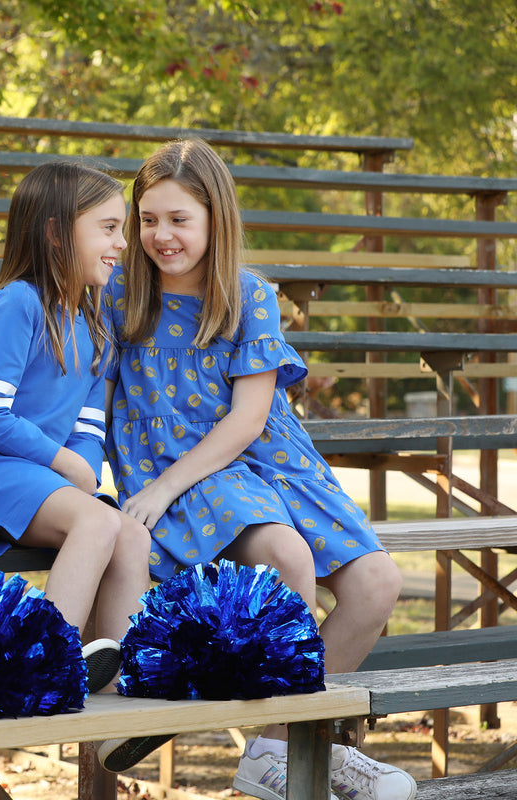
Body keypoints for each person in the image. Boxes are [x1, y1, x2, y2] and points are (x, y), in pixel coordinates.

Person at [100, 138, 414, 800]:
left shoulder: (248, 295)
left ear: (217, 218)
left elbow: (249, 419)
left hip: (264, 452)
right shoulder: (121, 289)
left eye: (179, 219)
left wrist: (164, 488)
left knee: (377, 584)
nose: (161, 235)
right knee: (285, 557)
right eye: (148, 219)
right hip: (177, 462)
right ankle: (290, 746)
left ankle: (287, 745)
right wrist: (148, 486)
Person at [0, 161, 152, 695]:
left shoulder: (96, 328)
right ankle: (39, 665)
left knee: (132, 535)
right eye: (108, 227)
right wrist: (67, 466)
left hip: (35, 476)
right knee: (98, 524)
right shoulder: (18, 304)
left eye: (122, 228)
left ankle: (130, 681)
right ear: (55, 233)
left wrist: (82, 473)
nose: (122, 243)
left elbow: (88, 427)